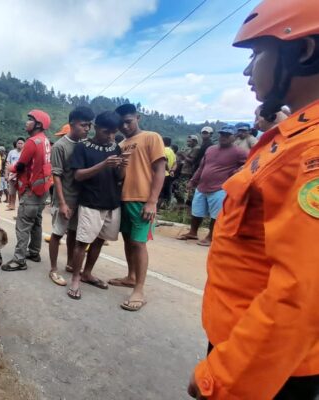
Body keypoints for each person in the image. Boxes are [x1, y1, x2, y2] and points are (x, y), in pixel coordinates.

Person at [187, 1, 319, 398]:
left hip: (265, 366)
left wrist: (222, 376)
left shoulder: (310, 152)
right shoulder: (289, 140)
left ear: (305, 51)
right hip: (249, 344)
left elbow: (302, 292)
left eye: (258, 53)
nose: (247, 70)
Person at [109, 103, 166, 312]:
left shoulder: (151, 137)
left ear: (138, 117)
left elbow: (160, 170)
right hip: (123, 199)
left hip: (142, 200)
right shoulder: (122, 144)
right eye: (121, 123)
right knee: (127, 240)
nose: (125, 126)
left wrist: (152, 201)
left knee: (139, 243)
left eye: (128, 121)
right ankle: (131, 276)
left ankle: (139, 290)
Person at [67, 111, 126, 299]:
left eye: (113, 133)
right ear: (95, 128)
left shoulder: (116, 147)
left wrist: (123, 165)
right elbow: (78, 176)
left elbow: (120, 177)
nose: (109, 136)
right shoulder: (83, 148)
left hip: (112, 203)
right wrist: (103, 164)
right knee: (82, 242)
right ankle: (75, 278)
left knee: (100, 240)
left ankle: (87, 273)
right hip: (91, 202)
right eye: (106, 132)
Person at [46, 106, 94, 286]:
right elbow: (56, 175)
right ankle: (53, 269)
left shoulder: (85, 145)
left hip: (80, 199)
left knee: (74, 233)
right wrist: (63, 203)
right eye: (83, 125)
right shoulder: (60, 146)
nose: (87, 129)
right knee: (57, 234)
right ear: (72, 124)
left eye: (89, 125)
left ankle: (70, 264)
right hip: (65, 198)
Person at [177, 126, 247, 247]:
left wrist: (237, 172)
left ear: (234, 137)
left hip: (220, 187)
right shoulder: (210, 149)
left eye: (227, 135)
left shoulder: (239, 152)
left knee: (216, 214)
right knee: (196, 211)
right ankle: (193, 232)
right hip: (202, 185)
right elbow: (201, 166)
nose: (223, 137)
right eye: (222, 134)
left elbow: (248, 163)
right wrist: (193, 180)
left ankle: (211, 237)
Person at [1, 110, 53, 271]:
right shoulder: (45, 141)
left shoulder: (32, 142)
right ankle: (34, 252)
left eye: (30, 120)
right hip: (42, 190)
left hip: (30, 190)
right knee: (36, 222)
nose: (27, 122)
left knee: (23, 225)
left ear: (38, 124)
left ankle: (19, 260)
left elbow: (21, 165)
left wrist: (10, 167)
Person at [6, 138, 25, 211]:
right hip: (11, 175)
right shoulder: (11, 152)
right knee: (12, 192)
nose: (19, 144)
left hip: (21, 176)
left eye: (21, 143)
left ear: (24, 144)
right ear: (16, 144)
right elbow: (8, 163)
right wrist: (6, 174)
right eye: (18, 143)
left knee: (20, 193)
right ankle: (12, 205)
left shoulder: (25, 153)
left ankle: (21, 208)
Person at [159, 136, 177, 209]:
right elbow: (175, 163)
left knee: (159, 193)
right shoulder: (172, 151)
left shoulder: (162, 150)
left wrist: (169, 169)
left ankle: (157, 208)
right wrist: (172, 171)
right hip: (169, 175)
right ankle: (165, 207)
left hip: (162, 174)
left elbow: (165, 162)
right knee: (167, 193)